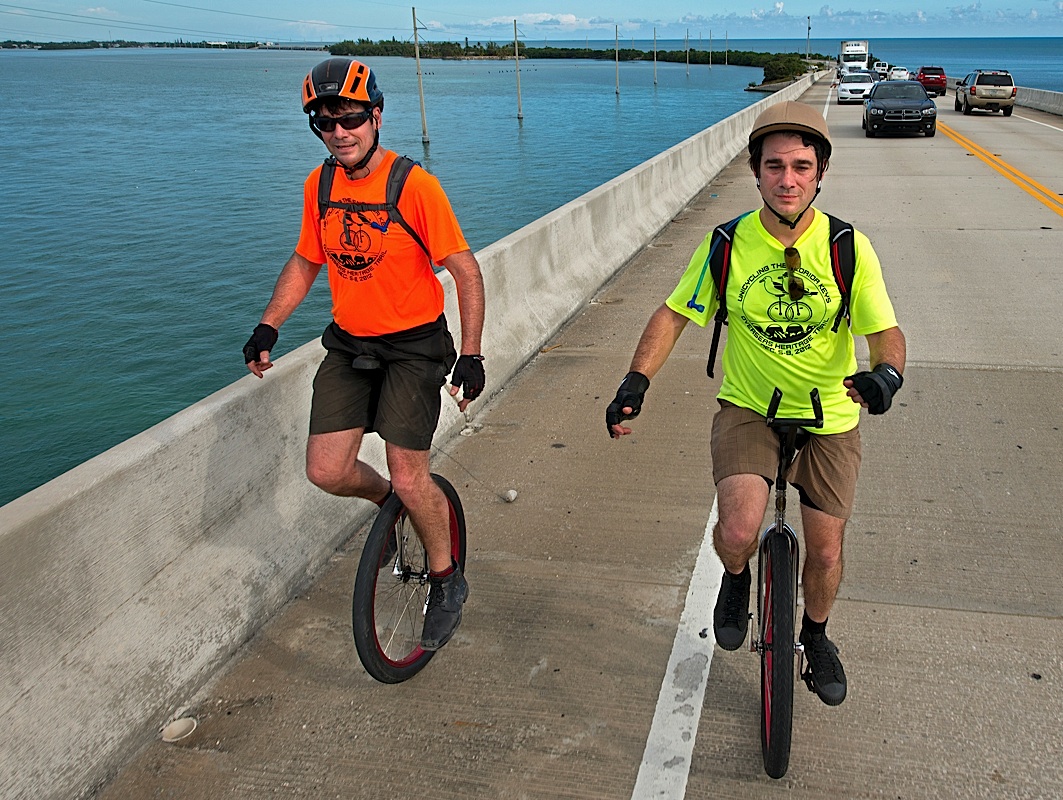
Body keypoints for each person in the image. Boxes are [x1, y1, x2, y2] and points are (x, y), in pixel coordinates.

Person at [605, 101, 905, 706]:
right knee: (739, 527)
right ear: (755, 171)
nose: (788, 179)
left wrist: (887, 376)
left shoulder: (849, 248)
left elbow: (885, 332)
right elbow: (673, 314)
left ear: (820, 172)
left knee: (824, 549)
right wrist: (635, 380)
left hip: (829, 413)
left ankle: (816, 637)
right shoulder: (726, 244)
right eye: (774, 166)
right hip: (749, 406)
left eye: (801, 166)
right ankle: (736, 579)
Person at [243, 57, 486, 652]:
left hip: (413, 348)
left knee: (410, 473)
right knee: (326, 470)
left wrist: (472, 353)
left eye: (350, 119)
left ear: (375, 116)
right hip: (350, 343)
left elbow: (465, 271)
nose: (339, 133)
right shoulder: (319, 185)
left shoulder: (413, 185)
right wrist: (268, 325)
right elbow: (306, 261)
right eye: (325, 124)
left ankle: (446, 576)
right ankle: (389, 507)